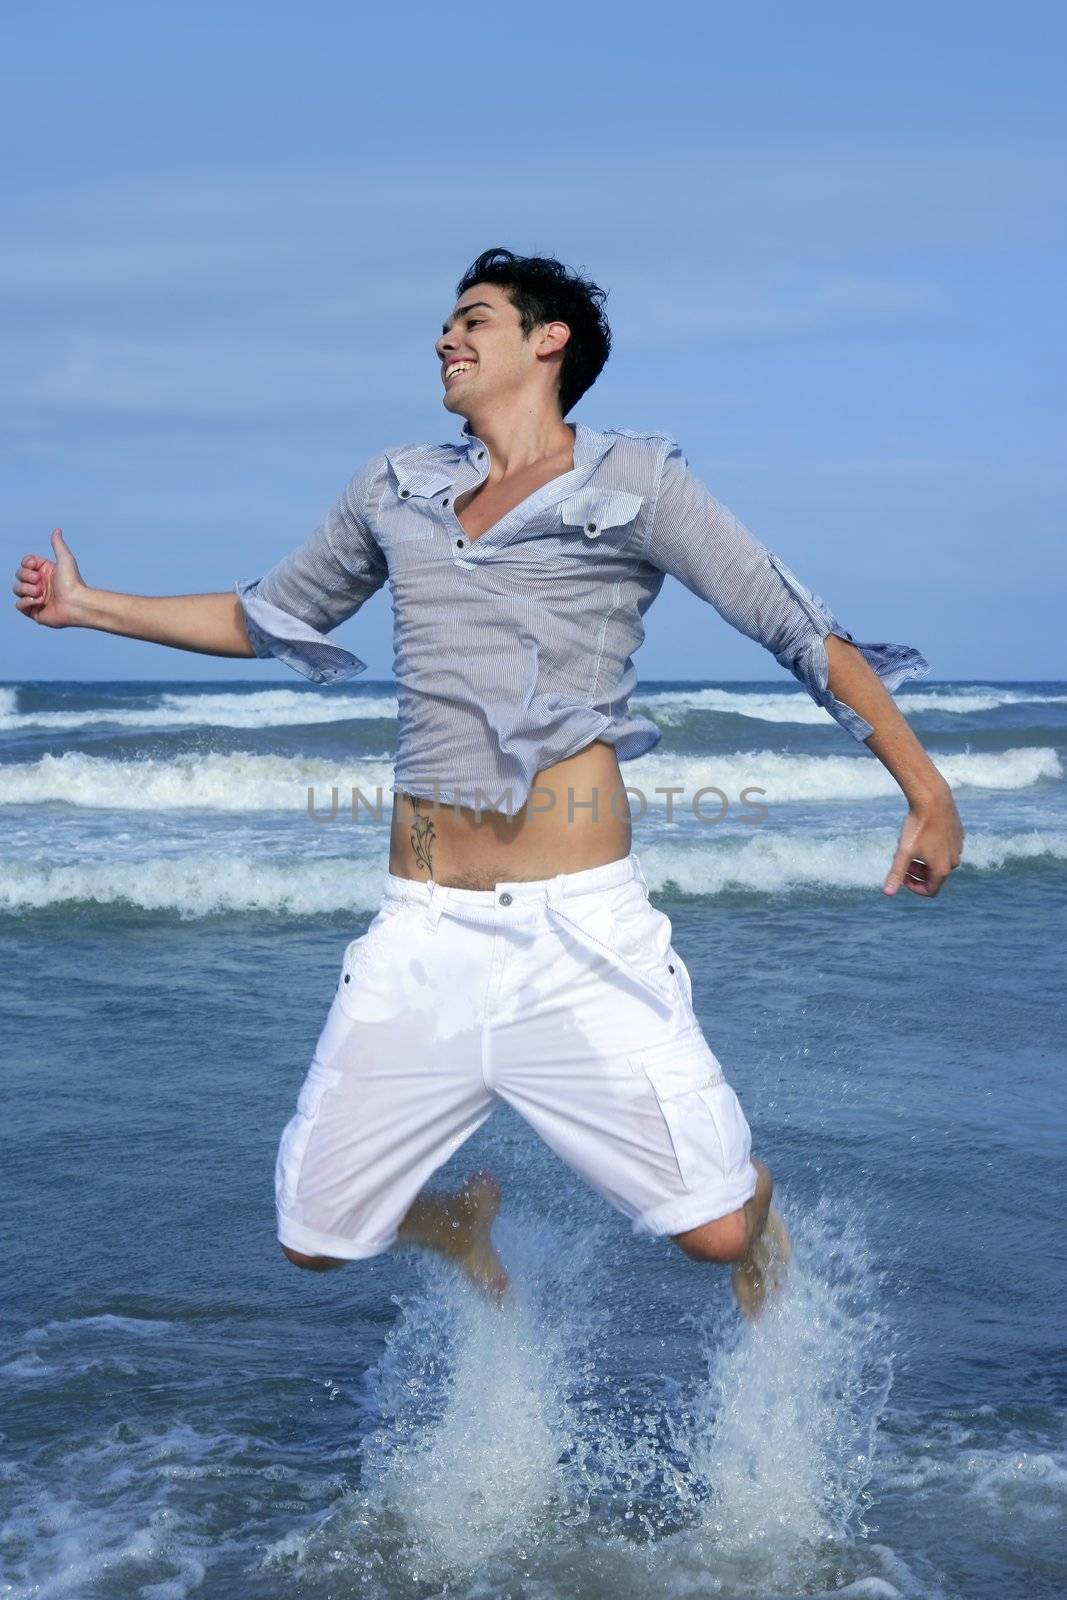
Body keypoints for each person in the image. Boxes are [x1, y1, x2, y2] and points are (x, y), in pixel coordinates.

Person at [13, 248, 964, 1321]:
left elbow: (793, 625)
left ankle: (750, 1195)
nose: (445, 339)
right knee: (315, 1232)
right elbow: (266, 614)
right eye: (444, 324)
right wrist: (91, 609)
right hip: (424, 931)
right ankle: (453, 1221)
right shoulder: (394, 487)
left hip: (577, 934)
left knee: (715, 1233)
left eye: (473, 319)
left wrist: (921, 788)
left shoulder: (634, 482)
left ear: (546, 340)